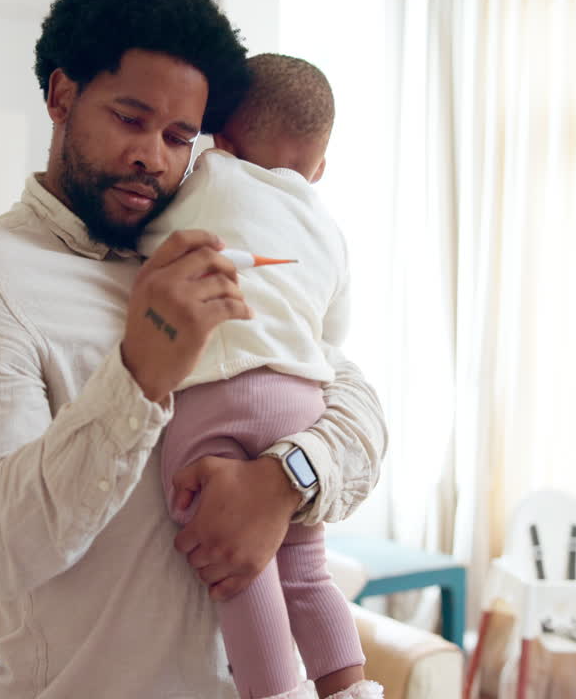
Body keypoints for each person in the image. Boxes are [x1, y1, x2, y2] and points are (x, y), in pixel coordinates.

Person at [0, 0, 386, 697]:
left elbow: (359, 408)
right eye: (131, 119)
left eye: (179, 137)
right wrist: (138, 379)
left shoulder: (214, 244)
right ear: (62, 96)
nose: (152, 158)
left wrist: (285, 480)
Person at [141, 54, 380, 699]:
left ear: (222, 140)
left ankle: (275, 692)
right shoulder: (327, 230)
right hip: (301, 402)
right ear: (320, 167)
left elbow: (150, 243)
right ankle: (350, 686)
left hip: (214, 398)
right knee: (306, 568)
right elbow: (332, 338)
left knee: (236, 570)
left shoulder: (209, 175)